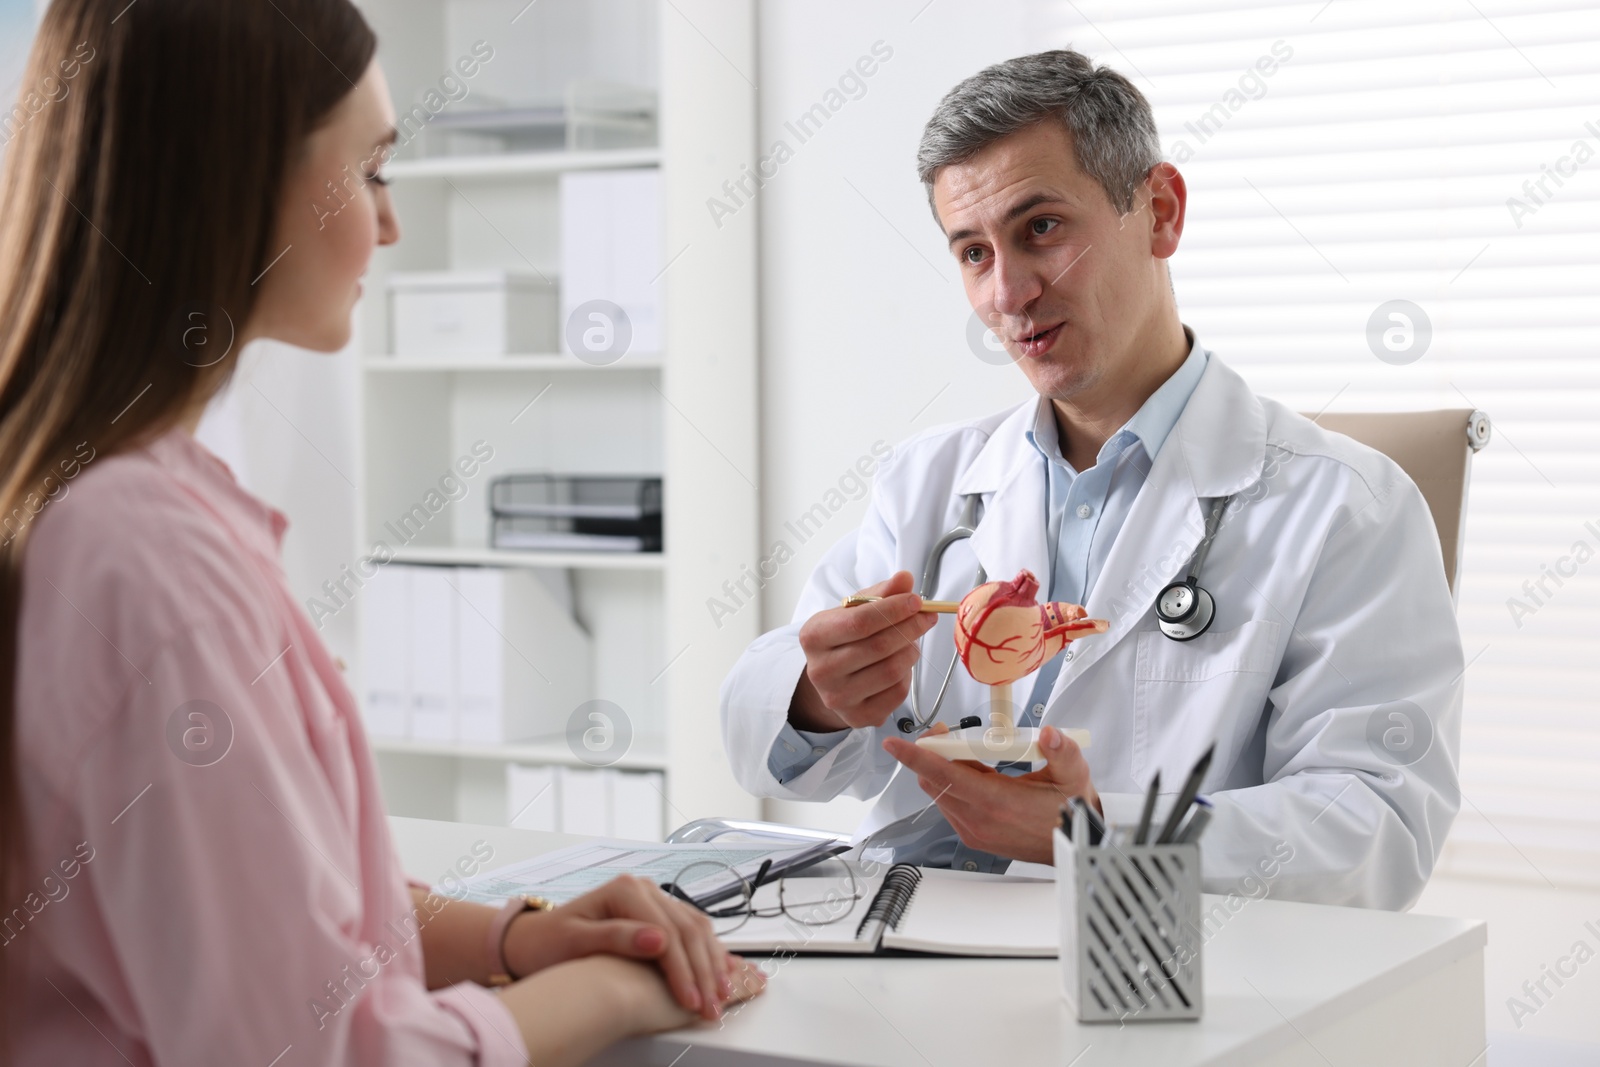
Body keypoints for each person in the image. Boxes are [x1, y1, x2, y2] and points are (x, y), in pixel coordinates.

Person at [0, 2, 761, 1064]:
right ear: (241, 179)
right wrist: (615, 990)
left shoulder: (106, 501)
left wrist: (516, 932)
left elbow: (264, 915)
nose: (391, 223)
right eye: (369, 173)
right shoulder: (144, 554)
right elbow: (322, 1049)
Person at [721, 49, 1463, 910]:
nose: (1010, 292)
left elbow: (1378, 824)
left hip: (1148, 969)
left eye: (1040, 228)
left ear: (1160, 211)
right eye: (972, 251)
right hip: (906, 934)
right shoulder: (931, 481)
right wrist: (819, 694)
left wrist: (1098, 834)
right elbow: (757, 724)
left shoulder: (1345, 506)